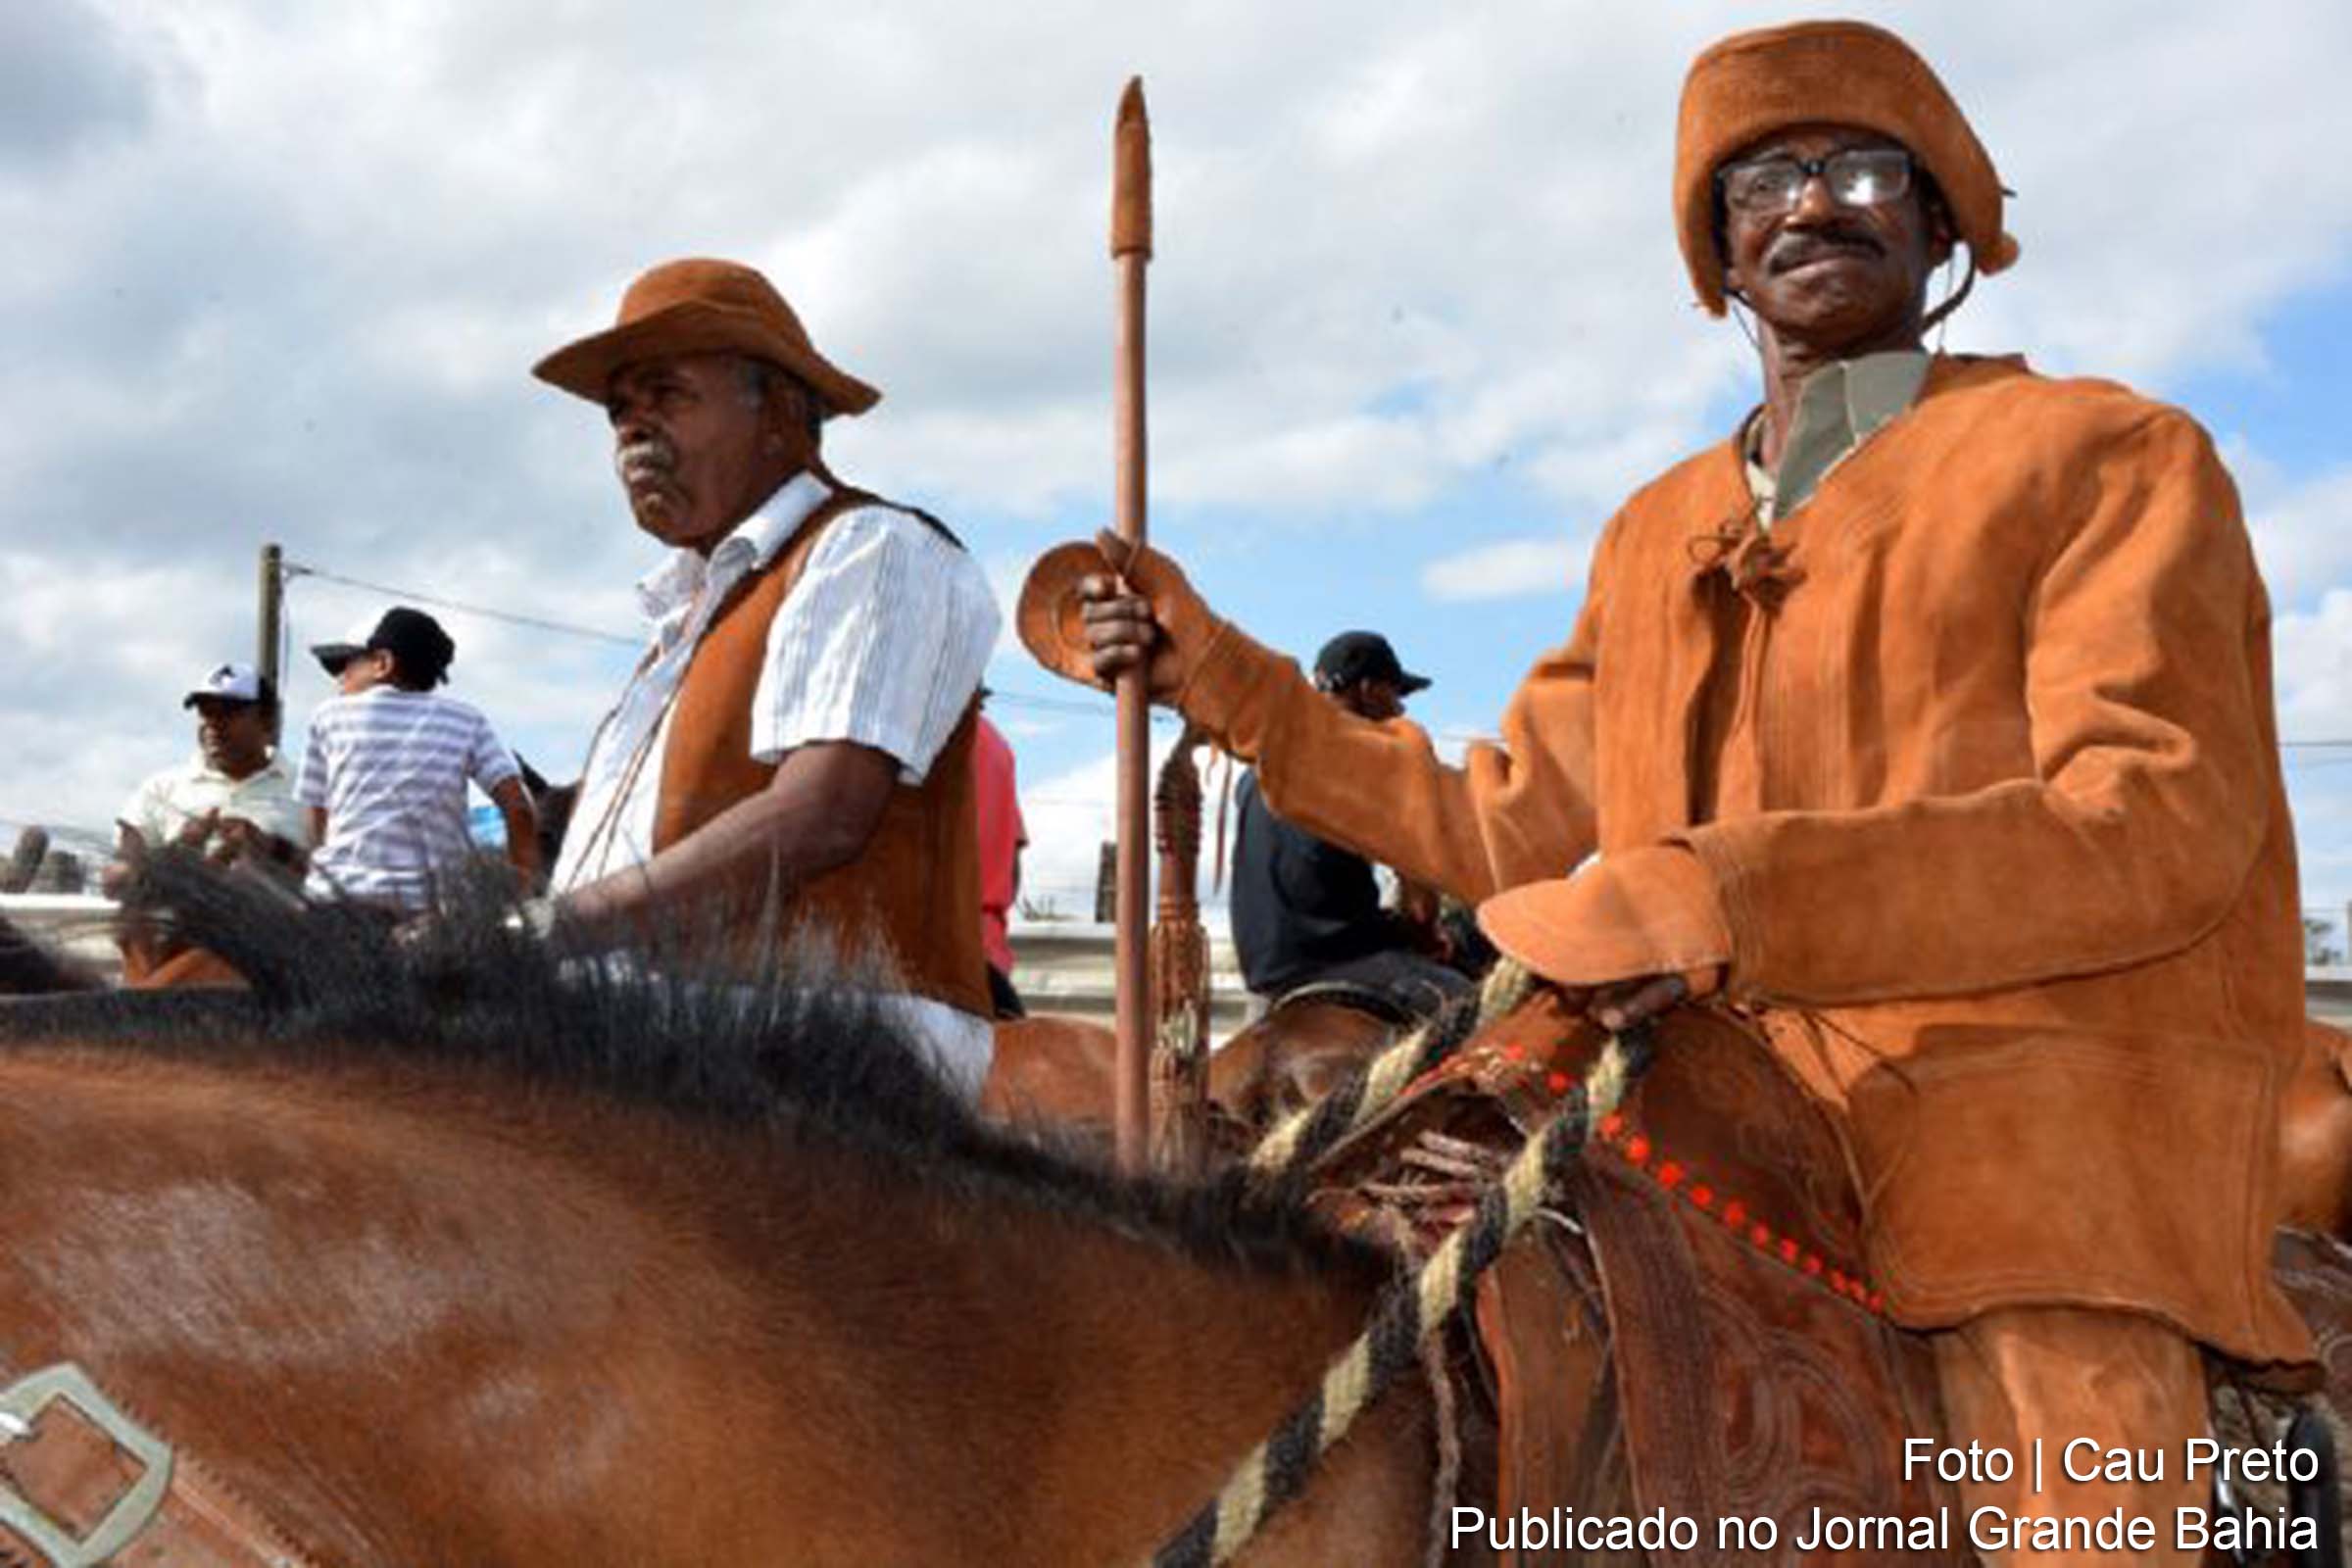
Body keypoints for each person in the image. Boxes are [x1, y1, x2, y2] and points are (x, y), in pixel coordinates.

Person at [1036, 20, 2309, 1559]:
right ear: (1716, 244)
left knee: (2088, 1495)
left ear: (1941, 221)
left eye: (1861, 169)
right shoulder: (1657, 533)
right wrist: (1219, 674)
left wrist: (1730, 893)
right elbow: (1505, 824)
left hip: (2017, 1124)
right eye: (1763, 176)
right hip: (1670, 1084)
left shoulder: (2106, 455)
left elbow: (2154, 825)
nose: (1812, 203)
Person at [534, 258, 1000, 1099]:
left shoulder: (872, 549)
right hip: (667, 1044)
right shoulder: (688, 622)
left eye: (667, 396)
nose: (633, 432)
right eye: (619, 413)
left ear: (781, 412)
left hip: (824, 1053)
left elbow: (820, 813)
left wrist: (540, 932)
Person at [1230, 632, 1470, 1018]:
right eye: (1395, 695)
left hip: (1264, 979)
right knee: (1472, 1012)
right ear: (1368, 690)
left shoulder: (1258, 765)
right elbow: (1420, 902)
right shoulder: (1364, 761)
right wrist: (1425, 937)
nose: (1399, 711)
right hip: (1341, 962)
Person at [297, 607, 539, 912]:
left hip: (339, 906)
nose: (340, 679)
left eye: (346, 666)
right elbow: (519, 810)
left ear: (383, 664)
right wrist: (521, 896)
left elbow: (317, 818)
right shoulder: (468, 721)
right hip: (437, 914)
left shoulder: (328, 716)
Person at [108, 662, 311, 982]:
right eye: (206, 713)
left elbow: (335, 876)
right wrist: (179, 852)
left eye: (229, 712)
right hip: (169, 942)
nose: (213, 724)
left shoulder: (308, 789)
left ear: (268, 720)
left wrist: (272, 849)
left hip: (268, 950)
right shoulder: (161, 789)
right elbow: (115, 880)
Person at [971, 692, 1029, 1020]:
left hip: (921, 965)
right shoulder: (998, 747)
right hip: (990, 962)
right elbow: (1013, 870)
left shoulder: (911, 738)